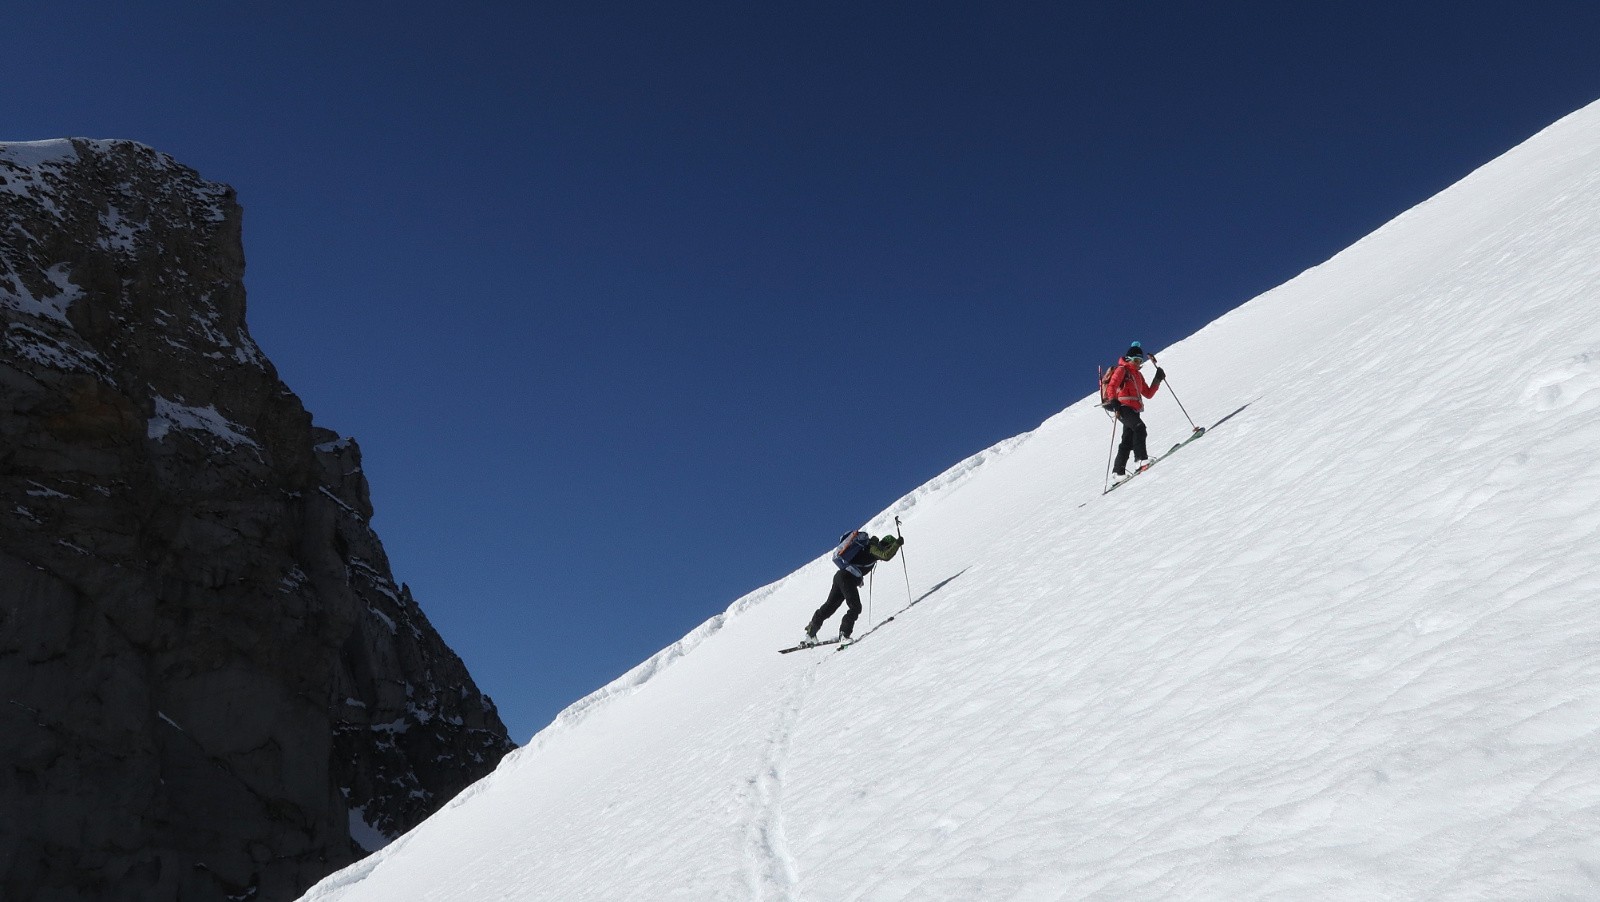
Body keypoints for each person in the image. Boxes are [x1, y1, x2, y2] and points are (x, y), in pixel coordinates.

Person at [802, 530, 904, 645]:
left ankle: (811, 633)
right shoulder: (873, 548)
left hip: (841, 576)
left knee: (830, 606)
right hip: (847, 578)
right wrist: (897, 544)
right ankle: (844, 635)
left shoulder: (868, 547)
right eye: (889, 547)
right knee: (855, 607)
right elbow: (886, 556)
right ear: (887, 545)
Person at [1102, 341, 1165, 478]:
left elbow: (1148, 393)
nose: (1138, 363)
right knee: (1139, 428)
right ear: (1129, 359)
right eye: (1136, 360)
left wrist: (1157, 379)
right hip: (1122, 407)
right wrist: (1113, 401)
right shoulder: (1122, 370)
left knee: (1128, 440)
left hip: (1133, 409)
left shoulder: (1137, 375)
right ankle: (1141, 459)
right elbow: (1112, 385)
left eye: (1140, 361)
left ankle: (1117, 473)